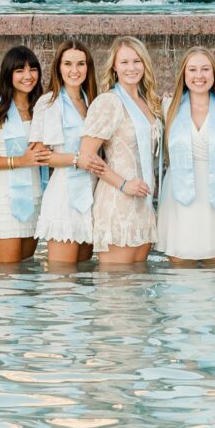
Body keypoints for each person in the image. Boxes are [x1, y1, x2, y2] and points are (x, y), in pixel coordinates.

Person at [77, 37, 161, 268]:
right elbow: (86, 155)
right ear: (114, 66)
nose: (131, 68)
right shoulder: (109, 102)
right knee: (117, 282)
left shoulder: (148, 102)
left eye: (137, 61)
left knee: (139, 282)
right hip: (118, 201)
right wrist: (124, 184)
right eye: (124, 62)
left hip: (143, 203)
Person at [157, 47, 215, 265]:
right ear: (184, 75)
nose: (199, 75)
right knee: (181, 269)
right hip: (179, 195)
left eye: (205, 69)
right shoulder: (168, 107)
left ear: (214, 73)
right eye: (192, 70)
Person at [0, 46, 49, 266]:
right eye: (19, 70)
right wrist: (19, 161)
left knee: (26, 271)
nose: (28, 76)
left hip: (34, 198)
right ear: (8, 74)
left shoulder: (41, 109)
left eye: (32, 69)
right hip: (3, 201)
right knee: (7, 275)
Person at [33, 41, 101, 269]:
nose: (75, 70)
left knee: (85, 273)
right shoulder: (48, 102)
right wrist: (75, 160)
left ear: (88, 67)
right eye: (68, 64)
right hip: (64, 195)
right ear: (58, 67)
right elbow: (38, 155)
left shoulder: (94, 101)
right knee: (62, 278)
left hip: (93, 193)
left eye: (80, 64)